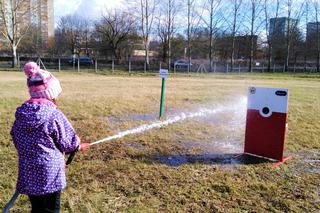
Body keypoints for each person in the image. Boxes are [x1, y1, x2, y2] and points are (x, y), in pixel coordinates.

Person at [10, 62, 80, 213]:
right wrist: (77, 145)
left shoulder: (21, 116)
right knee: (51, 209)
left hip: (28, 172)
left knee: (37, 208)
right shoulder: (54, 115)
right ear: (51, 94)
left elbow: (15, 138)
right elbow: (69, 142)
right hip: (50, 174)